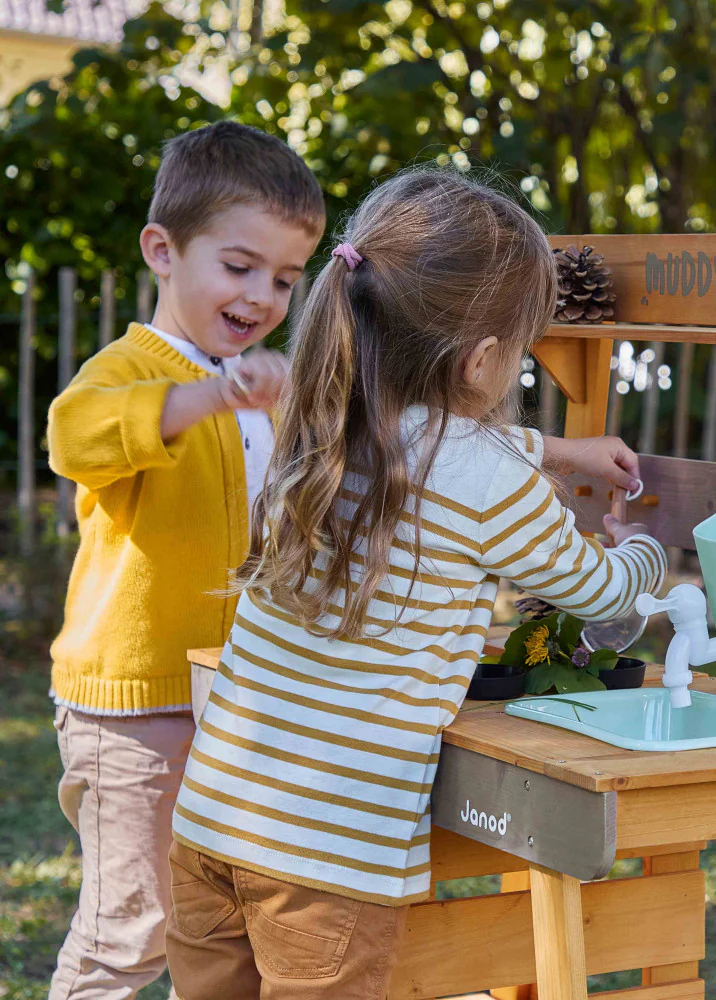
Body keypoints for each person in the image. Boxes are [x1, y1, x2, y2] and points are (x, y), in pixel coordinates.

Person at [165, 167, 668, 999]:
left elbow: (442, 445)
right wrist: (644, 547)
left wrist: (562, 452)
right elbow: (604, 592)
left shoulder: (322, 417)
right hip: (327, 865)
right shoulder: (486, 479)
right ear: (483, 361)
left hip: (212, 824)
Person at [45, 120, 325, 999]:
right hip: (136, 715)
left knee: (222, 932)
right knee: (127, 936)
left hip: (237, 704)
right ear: (162, 251)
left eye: (285, 278)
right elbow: (73, 435)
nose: (263, 296)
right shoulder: (129, 372)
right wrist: (205, 395)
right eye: (239, 267)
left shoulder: (264, 392)